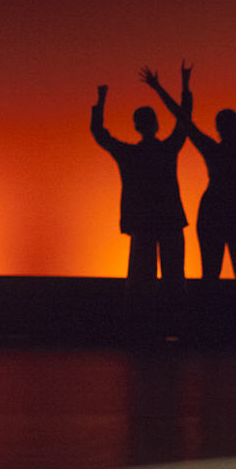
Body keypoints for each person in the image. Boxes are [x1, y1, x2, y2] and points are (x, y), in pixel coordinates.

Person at [141, 57, 236, 281]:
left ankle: (208, 312)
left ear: (218, 128)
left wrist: (162, 87)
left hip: (215, 208)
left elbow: (183, 118)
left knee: (213, 273)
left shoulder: (214, 148)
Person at [91, 64, 191, 324]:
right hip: (168, 220)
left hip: (143, 222)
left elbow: (100, 134)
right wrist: (179, 87)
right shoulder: (167, 149)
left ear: (136, 126)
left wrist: (101, 102)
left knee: (140, 278)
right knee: (173, 277)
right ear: (156, 124)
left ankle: (139, 326)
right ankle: (175, 324)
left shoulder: (130, 155)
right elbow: (184, 120)